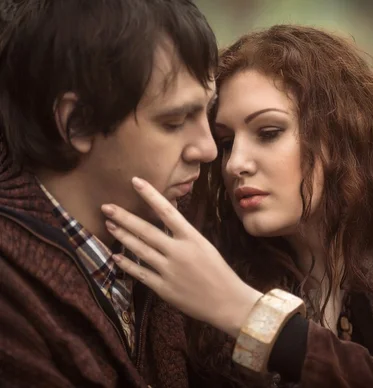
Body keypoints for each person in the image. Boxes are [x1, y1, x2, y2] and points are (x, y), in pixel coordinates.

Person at [105, 25, 373, 387]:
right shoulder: (210, 245)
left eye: (269, 132)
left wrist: (241, 310)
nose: (235, 163)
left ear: (339, 135)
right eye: (226, 141)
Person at [0, 0, 220, 386]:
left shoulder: (194, 218)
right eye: (173, 122)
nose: (209, 149)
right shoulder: (12, 301)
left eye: (208, 113)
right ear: (78, 124)